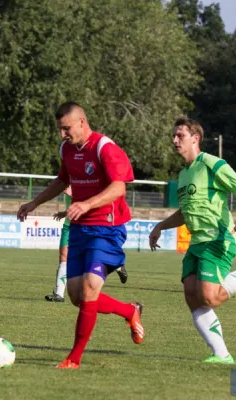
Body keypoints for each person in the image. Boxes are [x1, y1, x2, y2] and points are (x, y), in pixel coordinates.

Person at [17, 101, 144, 369]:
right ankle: (130, 311)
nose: (62, 134)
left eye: (66, 128)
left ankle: (74, 358)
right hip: (79, 230)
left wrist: (86, 204)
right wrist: (34, 203)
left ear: (82, 122)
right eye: (60, 130)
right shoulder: (66, 149)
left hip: (107, 228)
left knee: (89, 288)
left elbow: (119, 188)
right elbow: (62, 181)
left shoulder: (104, 148)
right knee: (77, 296)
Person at [149, 117, 236, 364]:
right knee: (191, 296)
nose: (175, 140)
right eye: (174, 136)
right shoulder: (184, 173)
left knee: (209, 297)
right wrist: (160, 226)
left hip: (217, 239)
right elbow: (185, 212)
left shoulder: (211, 163)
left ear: (195, 138)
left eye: (180, 136)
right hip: (197, 243)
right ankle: (221, 355)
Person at [45, 187, 128, 303]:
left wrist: (74, 193)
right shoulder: (69, 178)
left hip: (86, 227)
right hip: (69, 226)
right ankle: (59, 294)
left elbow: (92, 203)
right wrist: (64, 213)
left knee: (90, 263)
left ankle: (116, 265)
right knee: (63, 256)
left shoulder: (87, 181)